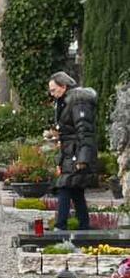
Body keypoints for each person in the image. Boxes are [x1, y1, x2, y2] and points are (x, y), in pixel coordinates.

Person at [49, 72, 97, 231]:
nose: (52, 93)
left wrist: (83, 158)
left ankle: (60, 226)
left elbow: (85, 130)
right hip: (70, 151)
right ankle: (84, 226)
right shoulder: (66, 101)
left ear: (63, 86)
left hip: (76, 152)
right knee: (76, 190)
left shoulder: (78, 101)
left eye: (54, 90)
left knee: (65, 186)